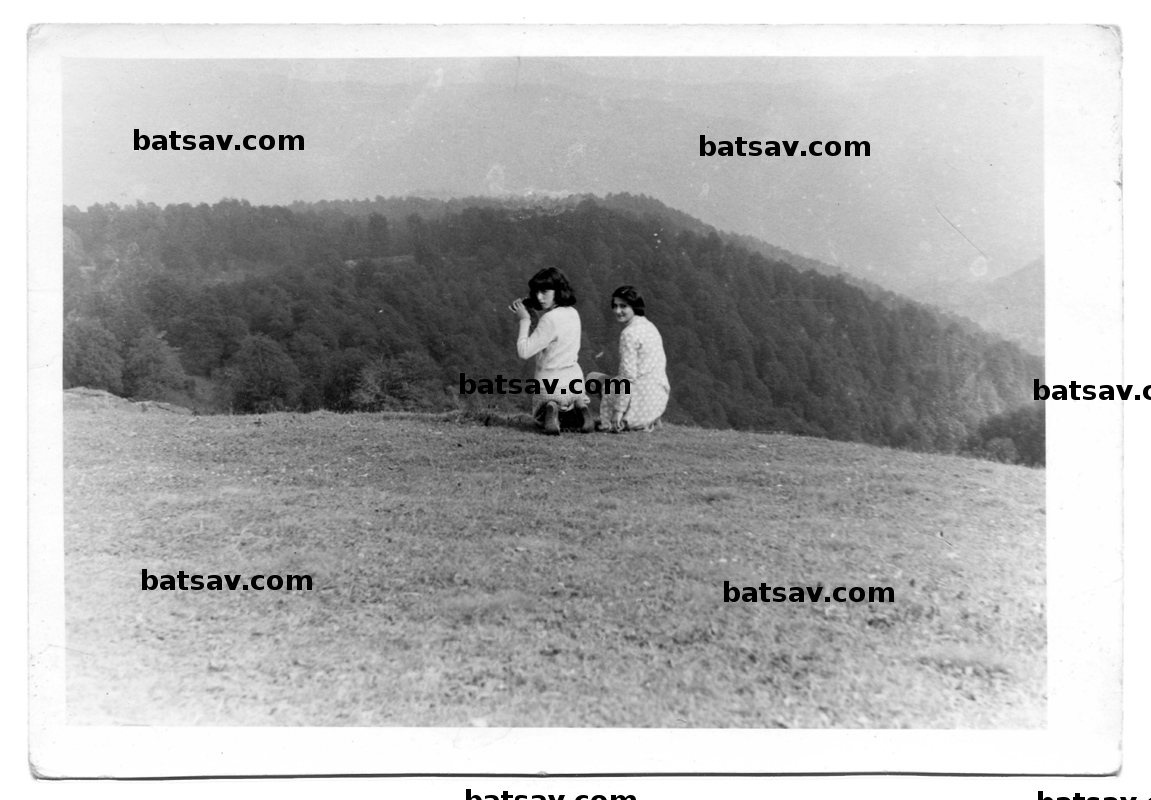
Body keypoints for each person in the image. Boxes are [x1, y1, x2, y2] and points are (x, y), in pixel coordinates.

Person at [509, 267, 594, 435]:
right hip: (575, 383)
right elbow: (547, 338)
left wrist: (525, 320)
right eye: (536, 292)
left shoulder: (549, 319)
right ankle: (579, 406)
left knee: (540, 419)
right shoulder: (573, 313)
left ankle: (551, 407)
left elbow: (524, 351)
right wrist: (534, 316)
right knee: (570, 417)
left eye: (544, 292)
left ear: (557, 291)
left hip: (550, 386)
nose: (539, 297)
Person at [587, 285, 669, 433]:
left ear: (634, 306)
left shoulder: (628, 334)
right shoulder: (649, 326)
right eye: (615, 306)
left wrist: (618, 411)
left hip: (637, 404)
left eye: (623, 306)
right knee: (615, 380)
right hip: (657, 401)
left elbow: (628, 377)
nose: (617, 311)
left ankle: (616, 420)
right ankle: (649, 420)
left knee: (592, 379)